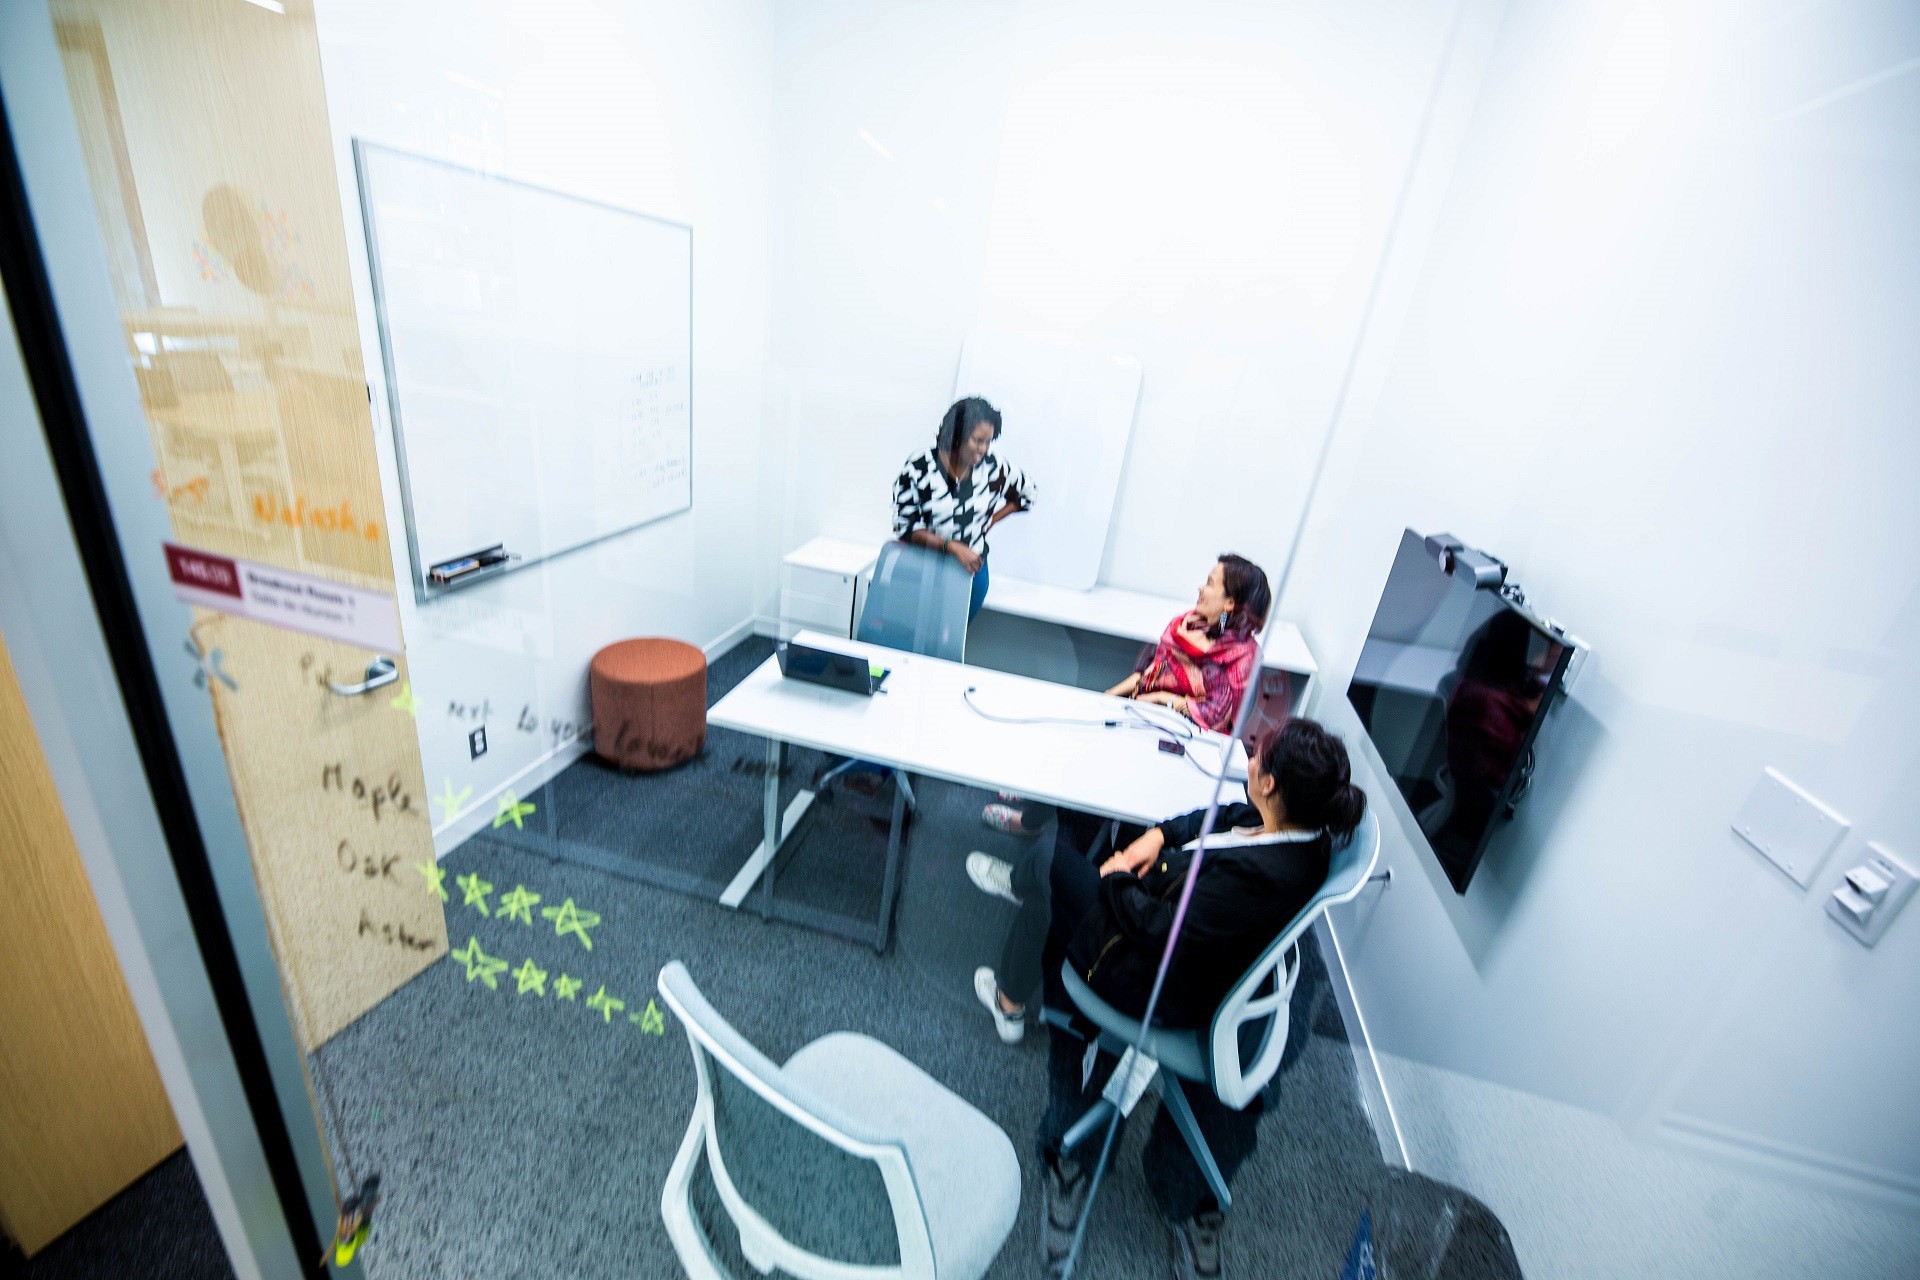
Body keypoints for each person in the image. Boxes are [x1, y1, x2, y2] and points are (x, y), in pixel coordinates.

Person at [971, 719, 1367, 1279]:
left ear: (1273, 783)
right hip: (1184, 931)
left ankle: (1019, 965)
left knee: (1052, 858)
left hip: (1148, 974)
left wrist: (1112, 878)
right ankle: (1028, 924)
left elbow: (1158, 926)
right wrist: (1157, 837)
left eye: (1258, 756)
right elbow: (1229, 816)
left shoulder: (1258, 879)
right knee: (1073, 866)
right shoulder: (1296, 830)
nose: (1250, 758)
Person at [978, 554, 1270, 837]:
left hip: (1180, 744)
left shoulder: (1242, 658)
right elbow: (1151, 672)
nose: (1200, 588)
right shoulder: (1189, 623)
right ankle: (1039, 796)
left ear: (1230, 603)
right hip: (1142, 713)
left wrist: (1160, 700)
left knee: (1085, 762)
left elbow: (1214, 717)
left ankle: (1030, 823)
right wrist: (1109, 697)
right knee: (1077, 733)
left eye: (1209, 582)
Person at [890, 397, 1034, 619]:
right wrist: (953, 547)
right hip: (920, 573)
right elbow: (906, 527)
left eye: (988, 442)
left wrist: (991, 520)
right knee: (908, 640)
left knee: (948, 647)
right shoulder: (920, 466)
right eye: (977, 440)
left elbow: (1027, 494)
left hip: (969, 577)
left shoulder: (994, 467)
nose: (983, 449)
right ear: (957, 434)